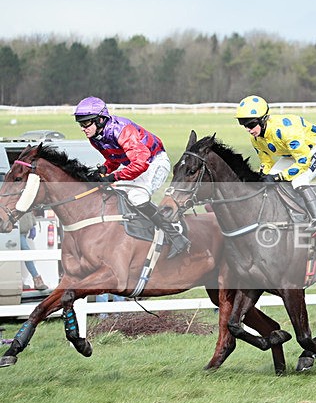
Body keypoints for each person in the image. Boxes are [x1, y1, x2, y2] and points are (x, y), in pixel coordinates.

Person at [73, 96, 190, 258]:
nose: (83, 128)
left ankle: (177, 237)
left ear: (100, 120)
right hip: (137, 165)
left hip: (154, 162)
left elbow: (141, 164)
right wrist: (104, 169)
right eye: (80, 123)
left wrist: (113, 177)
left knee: (136, 197)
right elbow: (114, 159)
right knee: (116, 195)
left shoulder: (122, 130)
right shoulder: (95, 138)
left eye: (86, 123)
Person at [234, 95, 316, 237]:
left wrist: (280, 176)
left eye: (251, 124)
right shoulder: (256, 138)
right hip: (292, 155)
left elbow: (303, 161)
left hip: (313, 150)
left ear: (263, 119)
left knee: (298, 181)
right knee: (269, 182)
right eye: (244, 125)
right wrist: (261, 177)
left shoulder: (286, 131)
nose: (248, 129)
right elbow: (266, 163)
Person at [18, 212, 48, 291]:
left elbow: (28, 211)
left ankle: (19, 282)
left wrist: (32, 225)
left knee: (19, 257)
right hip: (16, 232)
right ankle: (37, 279)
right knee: (26, 253)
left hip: (22, 231)